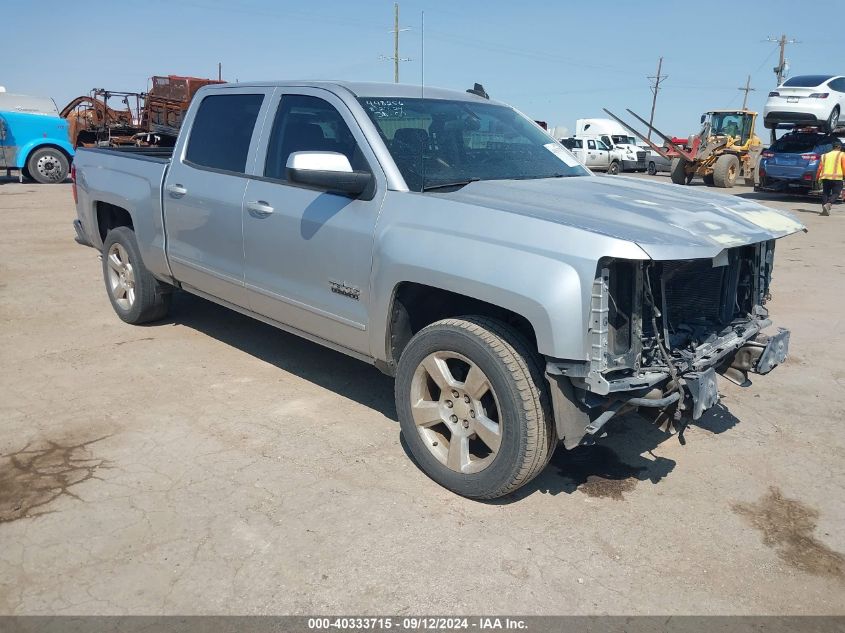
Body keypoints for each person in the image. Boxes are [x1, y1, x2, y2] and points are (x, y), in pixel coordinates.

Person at [816, 140, 845, 216]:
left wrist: (817, 177)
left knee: (825, 193)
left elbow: (819, 167)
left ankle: (824, 210)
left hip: (825, 177)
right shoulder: (842, 154)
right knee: (836, 193)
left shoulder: (824, 155)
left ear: (832, 147)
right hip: (837, 178)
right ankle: (828, 204)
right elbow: (844, 166)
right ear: (840, 147)